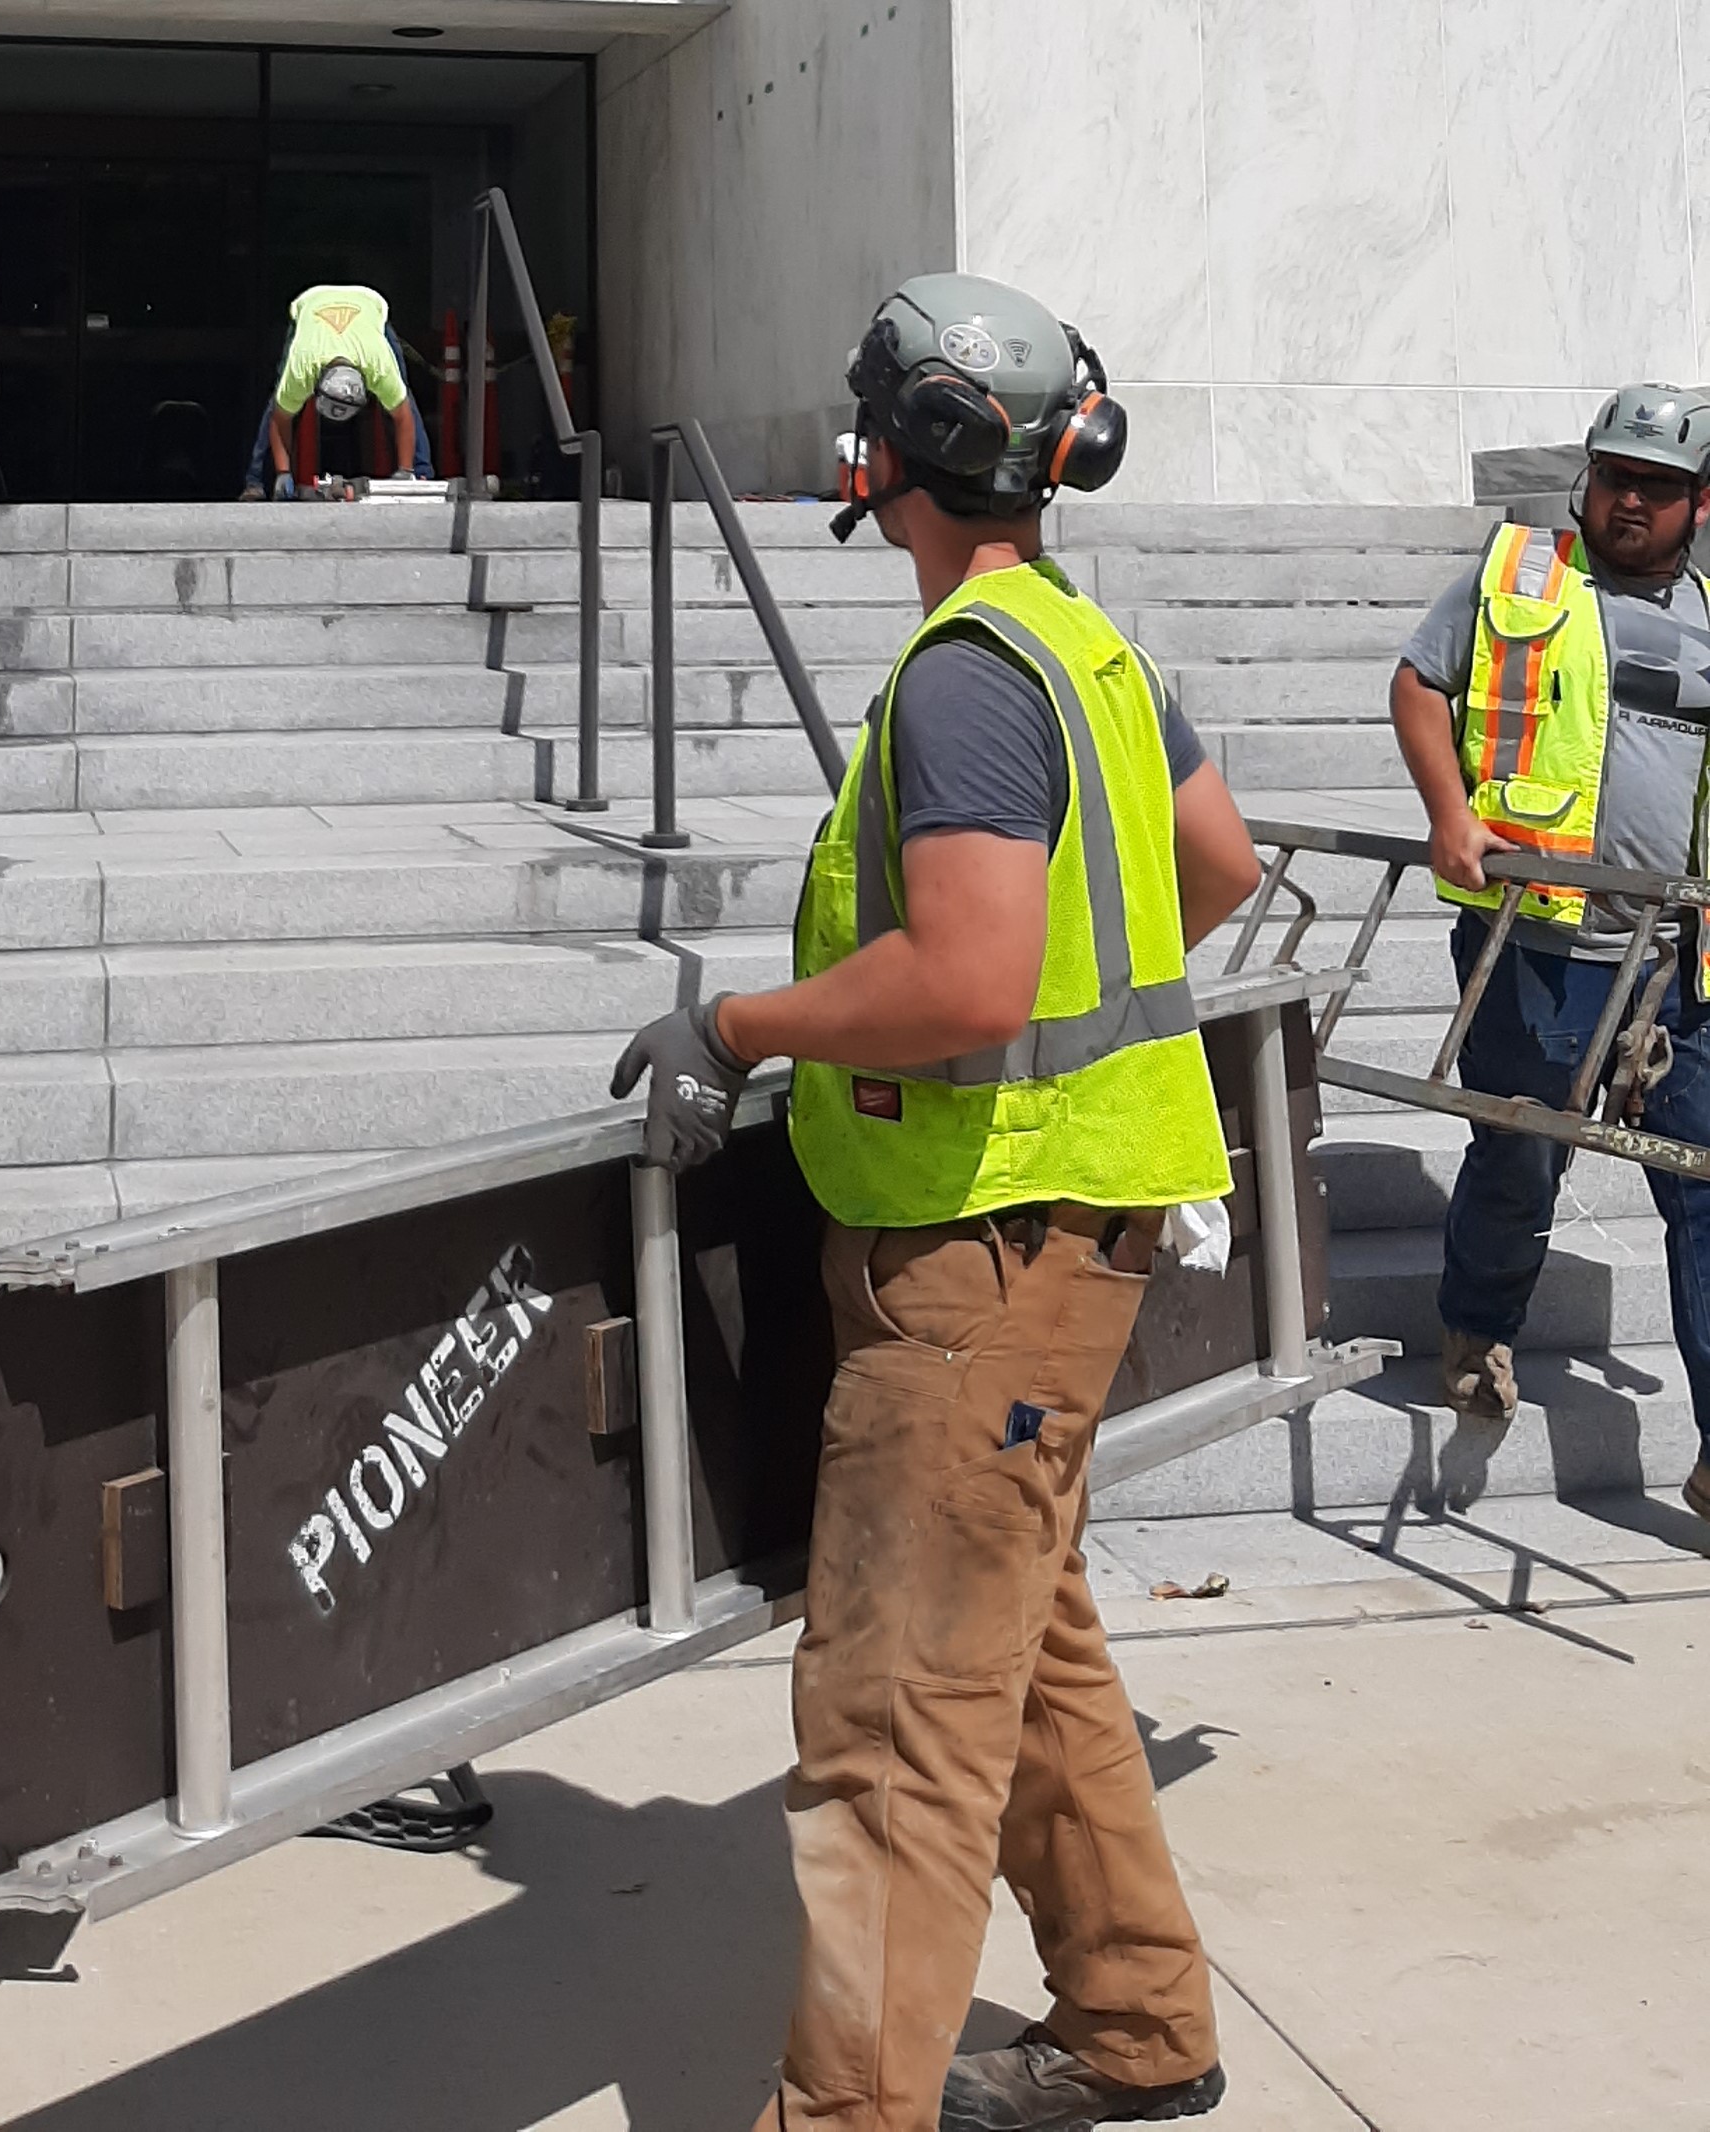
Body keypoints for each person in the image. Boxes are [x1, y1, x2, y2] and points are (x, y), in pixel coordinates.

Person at [611, 274, 1262, 2132]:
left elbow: (969, 980)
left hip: (975, 1262)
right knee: (1029, 1652)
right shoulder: (1085, 646)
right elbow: (1211, 863)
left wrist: (733, 1020)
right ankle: (1139, 2027)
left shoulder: (967, 678)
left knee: (893, 1727)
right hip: (1068, 1238)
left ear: (889, 458)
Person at [1390, 385, 1710, 1526]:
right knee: (1523, 1155)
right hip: (1539, 937)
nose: (1632, 499)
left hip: (1681, 957)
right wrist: (1448, 812)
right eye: (1618, 474)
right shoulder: (1522, 572)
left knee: (1705, 1182)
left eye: (1659, 486)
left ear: (1699, 502)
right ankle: (1480, 1327)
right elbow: (1418, 683)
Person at [237, 283, 434, 499]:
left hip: (369, 305)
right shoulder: (302, 367)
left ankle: (418, 474)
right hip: (310, 304)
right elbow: (281, 418)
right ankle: (257, 480)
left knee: (401, 394)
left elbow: (402, 416)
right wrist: (284, 471)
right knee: (281, 396)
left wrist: (404, 472)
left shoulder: (379, 366)